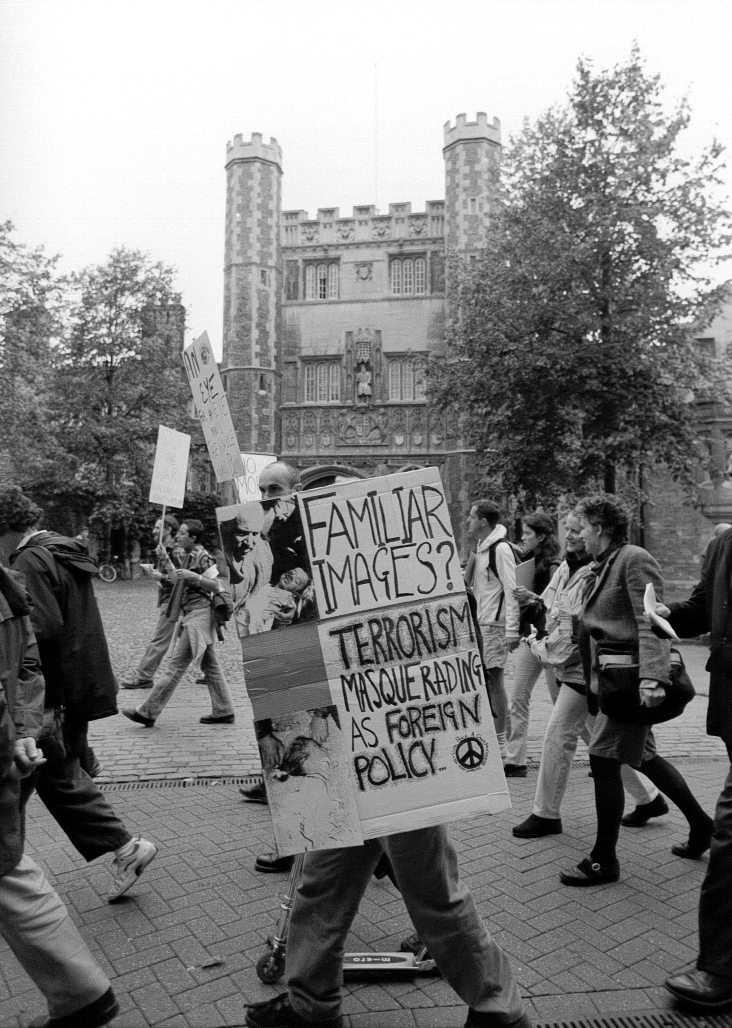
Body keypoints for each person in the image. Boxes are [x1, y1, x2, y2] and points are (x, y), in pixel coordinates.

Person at [0, 486, 157, 904]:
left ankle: (13, 876)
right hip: (63, 688)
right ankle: (125, 849)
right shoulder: (56, 550)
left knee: (33, 779)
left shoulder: (29, 558)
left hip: (44, 694)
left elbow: (41, 625)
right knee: (56, 777)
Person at [559, 494, 713, 887]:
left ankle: (603, 860)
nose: (579, 535)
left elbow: (651, 621)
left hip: (630, 682)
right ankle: (702, 826)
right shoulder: (605, 563)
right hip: (613, 681)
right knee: (645, 757)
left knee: (604, 759)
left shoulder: (633, 558)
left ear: (601, 528)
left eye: (583, 527)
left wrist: (653, 678)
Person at [244, 829, 533, 1028]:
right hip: (343, 765)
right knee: (322, 886)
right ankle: (310, 1004)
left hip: (397, 761)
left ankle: (497, 1009)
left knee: (432, 892)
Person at [0, 562, 120, 1028]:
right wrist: (22, 733)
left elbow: (32, 656)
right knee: (11, 872)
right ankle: (82, 995)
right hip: (19, 739)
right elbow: (27, 665)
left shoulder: (19, 579)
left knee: (11, 870)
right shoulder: (10, 585)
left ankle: (83, 995)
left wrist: (18, 736)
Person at [512, 511, 663, 839]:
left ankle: (547, 814)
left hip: (587, 664)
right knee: (601, 740)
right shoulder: (568, 566)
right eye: (567, 528)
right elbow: (556, 609)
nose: (570, 535)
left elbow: (643, 619)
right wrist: (536, 604)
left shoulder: (609, 565)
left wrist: (653, 675)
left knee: (559, 734)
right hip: (569, 662)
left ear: (597, 530)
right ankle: (651, 798)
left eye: (576, 529)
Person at [653, 528, 732, 1012]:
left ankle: (720, 968)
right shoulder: (725, 544)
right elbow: (704, 606)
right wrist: (668, 613)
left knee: (729, 833)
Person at [122, 519, 235, 727]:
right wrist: (164, 563)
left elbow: (217, 586)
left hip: (199, 616)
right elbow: (177, 579)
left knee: (175, 667)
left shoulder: (202, 556)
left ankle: (147, 711)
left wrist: (195, 577)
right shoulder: (188, 555)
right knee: (211, 666)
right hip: (193, 615)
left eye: (182, 534)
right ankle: (224, 710)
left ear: (193, 538)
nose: (178, 537)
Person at [504, 512, 561, 776]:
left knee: (562, 702)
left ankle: (599, 755)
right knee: (518, 696)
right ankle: (516, 761)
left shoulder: (554, 567)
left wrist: (531, 596)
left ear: (541, 536)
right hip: (531, 638)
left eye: (527, 533)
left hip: (549, 640)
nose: (523, 538)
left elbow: (557, 607)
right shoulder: (527, 562)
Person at [465, 499, 520, 762]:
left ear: (483, 521)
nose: (468, 521)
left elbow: (512, 590)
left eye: (471, 517)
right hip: (482, 622)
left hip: (494, 626)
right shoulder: (482, 548)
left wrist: (511, 629)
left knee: (494, 681)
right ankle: (501, 740)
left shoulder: (500, 550)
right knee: (489, 680)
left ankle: (500, 746)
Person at [120, 514, 182, 690]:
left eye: (157, 527)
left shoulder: (173, 551)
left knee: (159, 639)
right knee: (191, 638)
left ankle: (144, 676)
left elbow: (180, 577)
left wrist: (159, 575)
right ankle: (210, 673)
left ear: (168, 530)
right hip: (172, 599)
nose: (153, 530)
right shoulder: (164, 549)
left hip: (173, 601)